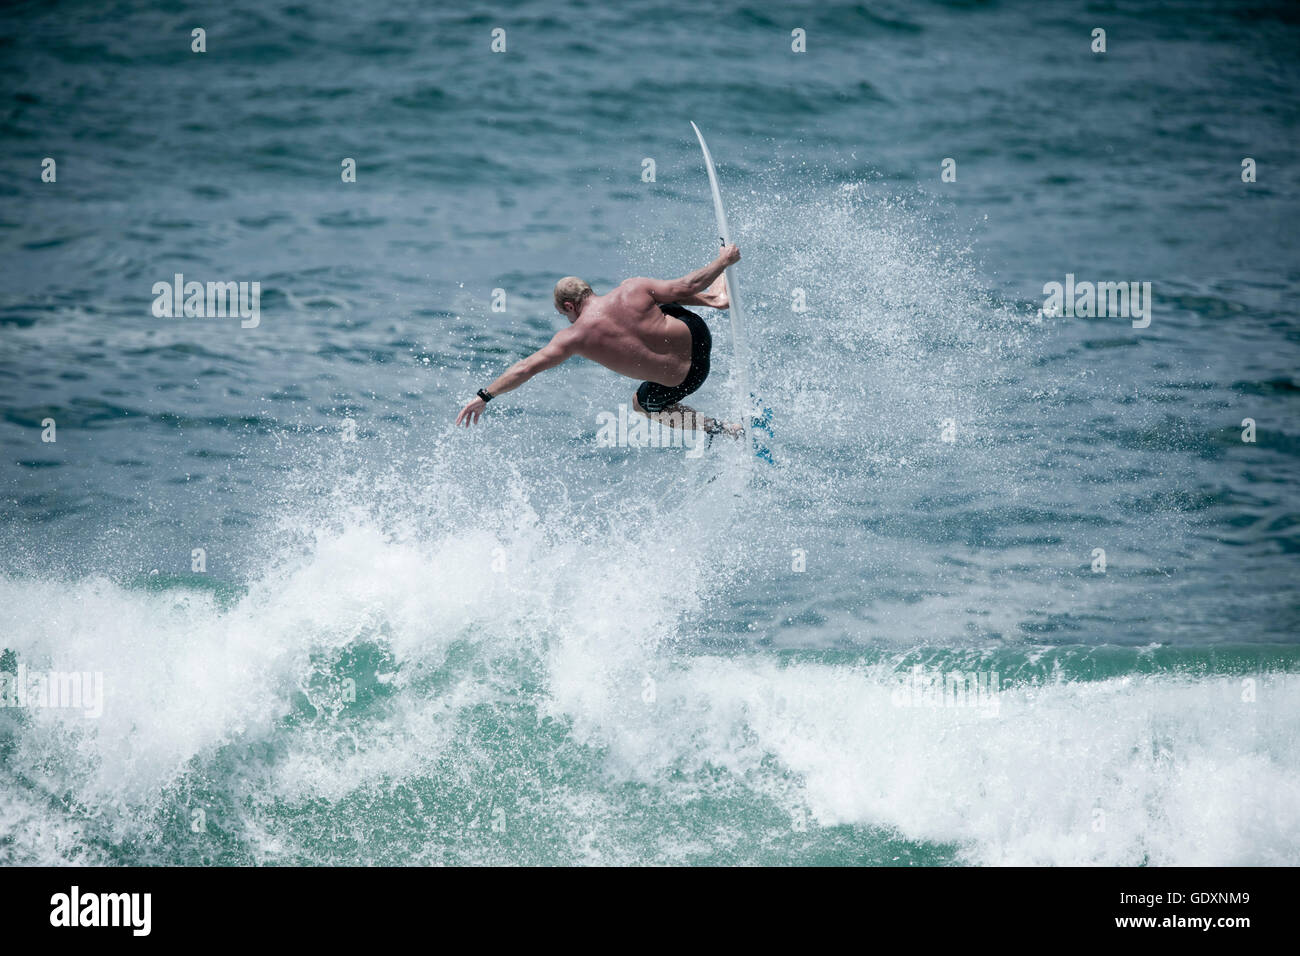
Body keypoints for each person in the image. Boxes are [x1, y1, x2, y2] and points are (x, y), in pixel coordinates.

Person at [455, 245, 743, 438]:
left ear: (569, 306)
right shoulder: (632, 289)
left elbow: (525, 368)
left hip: (689, 379)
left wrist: (484, 396)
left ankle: (722, 429)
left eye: (562, 314)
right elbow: (688, 285)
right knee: (655, 295)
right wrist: (723, 260)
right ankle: (717, 300)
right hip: (698, 336)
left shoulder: (573, 338)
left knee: (642, 405)